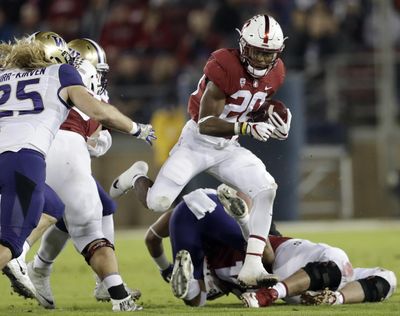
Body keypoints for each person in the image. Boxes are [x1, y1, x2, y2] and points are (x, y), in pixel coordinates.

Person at [110, 14, 292, 288]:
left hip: (228, 147)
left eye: (269, 55)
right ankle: (137, 176)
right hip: (197, 143)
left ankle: (252, 266)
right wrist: (246, 128)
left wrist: (273, 117)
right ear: (243, 47)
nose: (263, 61)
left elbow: (252, 105)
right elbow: (206, 123)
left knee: (266, 188)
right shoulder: (225, 64)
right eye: (257, 52)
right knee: (158, 202)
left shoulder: (276, 72)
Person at [0, 31, 154, 312]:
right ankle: (22, 257)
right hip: (32, 156)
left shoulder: (5, 75)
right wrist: (136, 128)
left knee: (61, 206)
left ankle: (40, 269)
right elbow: (97, 116)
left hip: (14, 154)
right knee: (16, 239)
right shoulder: (63, 74)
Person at [144, 185, 396, 307]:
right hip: (278, 262)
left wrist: (337, 298)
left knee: (384, 279)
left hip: (245, 272)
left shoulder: (217, 269)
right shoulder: (259, 236)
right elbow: (268, 256)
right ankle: (272, 291)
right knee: (338, 266)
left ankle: (334, 297)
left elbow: (385, 280)